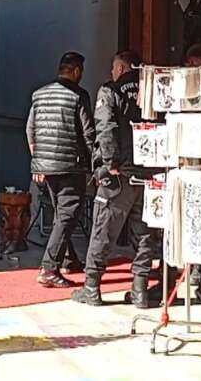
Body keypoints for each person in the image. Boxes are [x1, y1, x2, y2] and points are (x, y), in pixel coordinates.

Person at [73, 50, 162, 308]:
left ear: (121, 68)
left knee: (103, 229)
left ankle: (91, 287)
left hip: (119, 175)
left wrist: (110, 164)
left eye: (114, 67)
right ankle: (140, 290)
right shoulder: (153, 92)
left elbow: (105, 127)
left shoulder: (110, 91)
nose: (112, 72)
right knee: (144, 234)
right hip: (148, 172)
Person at [27, 51, 94, 288]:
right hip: (70, 165)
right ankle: (49, 268)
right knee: (68, 214)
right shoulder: (78, 95)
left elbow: (30, 130)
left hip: (46, 167)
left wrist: (38, 161)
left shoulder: (39, 94)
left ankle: (68, 259)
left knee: (61, 214)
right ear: (75, 71)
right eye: (81, 71)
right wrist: (95, 164)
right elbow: (87, 132)